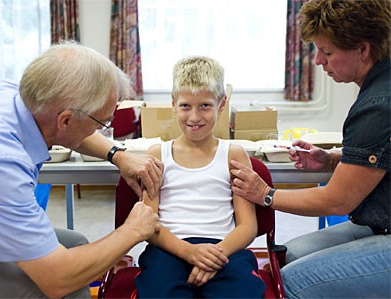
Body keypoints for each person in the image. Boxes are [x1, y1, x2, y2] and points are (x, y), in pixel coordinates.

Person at [0, 42, 162, 298]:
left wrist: (118, 155)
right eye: (102, 122)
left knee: (76, 245)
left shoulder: (11, 93)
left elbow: (64, 128)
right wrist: (133, 230)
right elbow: (58, 279)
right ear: (66, 120)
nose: (101, 130)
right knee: (66, 284)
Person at [230, 0, 390, 298]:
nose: (318, 61)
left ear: (363, 49)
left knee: (289, 283)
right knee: (285, 256)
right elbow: (383, 153)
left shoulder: (378, 105)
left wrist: (264, 194)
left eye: (327, 52)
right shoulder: (382, 85)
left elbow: (336, 201)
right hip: (381, 220)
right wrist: (331, 159)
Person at [135, 56, 265, 298]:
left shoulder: (233, 155)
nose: (194, 117)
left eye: (205, 106)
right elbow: (148, 226)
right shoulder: (157, 155)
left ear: (222, 103)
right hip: (169, 248)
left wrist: (214, 256)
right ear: (173, 104)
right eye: (185, 106)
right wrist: (189, 253)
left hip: (225, 248)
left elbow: (248, 226)